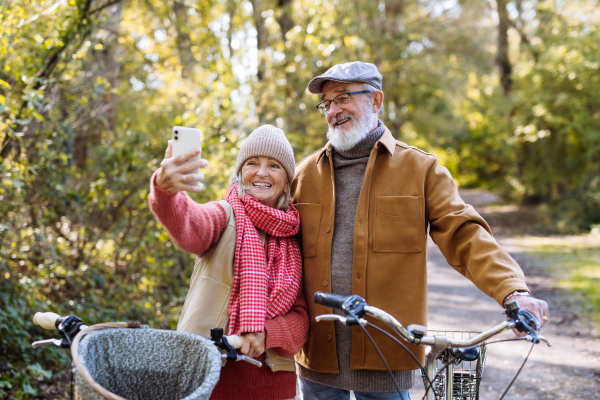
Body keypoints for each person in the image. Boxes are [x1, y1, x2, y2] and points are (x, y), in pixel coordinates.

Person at [291, 61, 549, 400]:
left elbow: (464, 233)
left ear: (377, 101)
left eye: (343, 98)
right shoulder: (303, 175)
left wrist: (514, 292)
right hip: (317, 358)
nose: (333, 110)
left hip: (388, 351)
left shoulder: (420, 169)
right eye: (326, 104)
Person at [149, 124, 309, 400]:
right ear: (240, 172)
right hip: (211, 377)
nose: (261, 172)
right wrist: (166, 192)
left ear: (287, 180)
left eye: (274, 165)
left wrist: (266, 334)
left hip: (274, 385)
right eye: (252, 163)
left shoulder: (295, 238)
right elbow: (191, 226)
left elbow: (301, 318)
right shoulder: (224, 216)